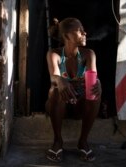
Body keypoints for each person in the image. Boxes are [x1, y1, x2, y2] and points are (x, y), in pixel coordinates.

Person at [45, 17, 102, 162]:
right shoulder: (54, 54)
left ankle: (83, 141)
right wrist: (59, 80)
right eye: (79, 30)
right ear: (66, 36)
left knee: (95, 93)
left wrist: (97, 84)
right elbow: (53, 77)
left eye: (83, 30)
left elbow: (93, 77)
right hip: (59, 106)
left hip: (80, 106)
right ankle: (58, 141)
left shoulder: (89, 54)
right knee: (55, 89)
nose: (85, 33)